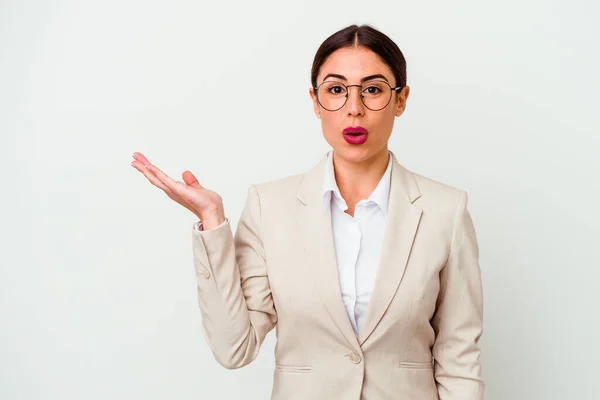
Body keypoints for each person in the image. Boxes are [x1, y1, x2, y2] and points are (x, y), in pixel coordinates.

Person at [131, 24, 484, 400]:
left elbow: (459, 359)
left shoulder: (445, 210)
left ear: (401, 100)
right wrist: (213, 222)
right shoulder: (270, 208)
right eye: (335, 90)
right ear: (315, 102)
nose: (354, 108)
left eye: (373, 89)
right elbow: (234, 348)